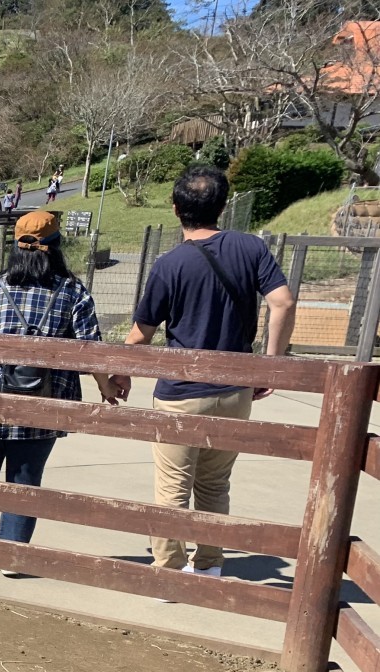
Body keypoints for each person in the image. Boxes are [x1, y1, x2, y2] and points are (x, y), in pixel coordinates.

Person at [126, 165, 297, 579]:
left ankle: (168, 568)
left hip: (182, 391)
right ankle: (209, 566)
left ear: (175, 208)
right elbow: (284, 303)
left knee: (172, 487)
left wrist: (117, 371)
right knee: (215, 484)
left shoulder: (170, 264)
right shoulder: (251, 248)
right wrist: (269, 366)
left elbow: (141, 334)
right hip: (236, 388)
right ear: (222, 206)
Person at [0, 210, 127, 567]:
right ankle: (12, 555)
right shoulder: (72, 290)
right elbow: (91, 348)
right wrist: (106, 388)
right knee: (25, 477)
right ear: (56, 247)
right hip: (44, 395)